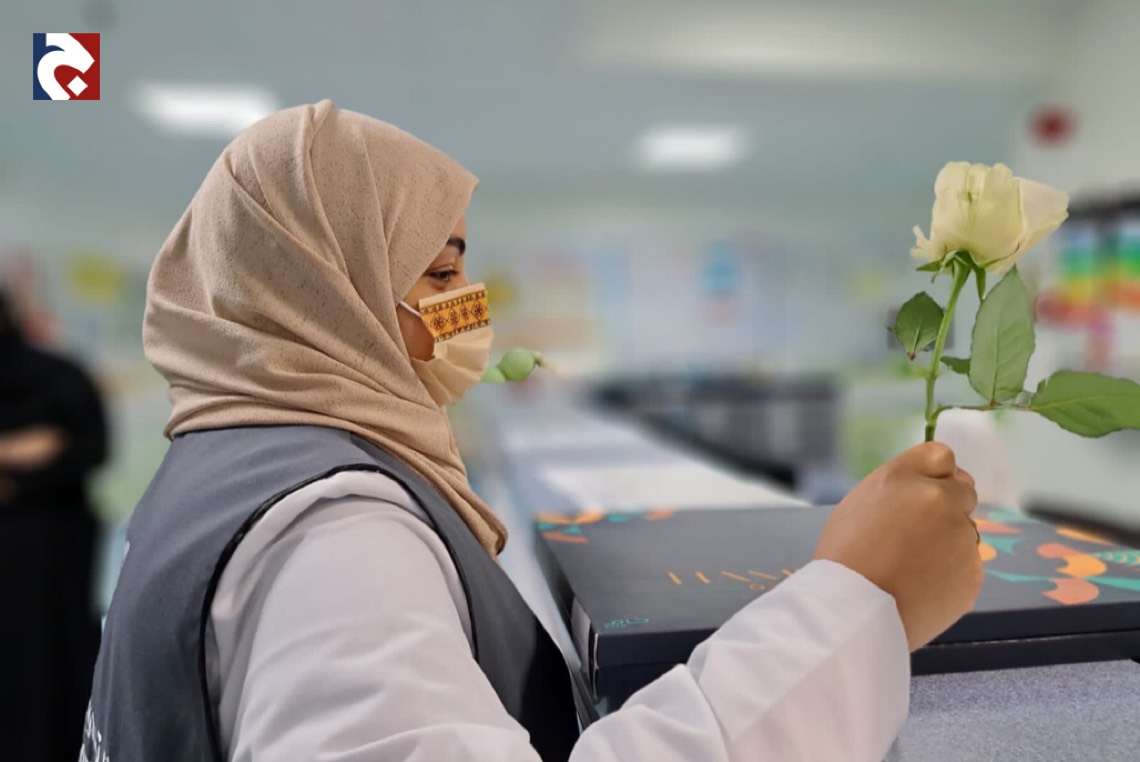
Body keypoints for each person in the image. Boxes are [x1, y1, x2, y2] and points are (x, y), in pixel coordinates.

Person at [84, 100, 983, 762]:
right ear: (323, 295)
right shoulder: (335, 538)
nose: (470, 307)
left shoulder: (225, 458)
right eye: (441, 275)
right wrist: (853, 604)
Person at [0, 288, 107, 762]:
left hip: (51, 562)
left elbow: (89, 449)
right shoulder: (60, 377)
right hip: (49, 547)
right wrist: (22, 449)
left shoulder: (58, 378)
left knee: (51, 674)